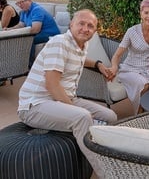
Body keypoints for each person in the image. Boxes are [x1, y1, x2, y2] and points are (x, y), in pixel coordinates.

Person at [17, 9, 118, 179]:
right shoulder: (60, 43)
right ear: (71, 24)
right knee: (82, 117)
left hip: (64, 99)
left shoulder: (81, 45)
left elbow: (80, 59)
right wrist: (74, 111)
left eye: (90, 26)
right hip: (35, 105)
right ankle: (107, 173)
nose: (85, 28)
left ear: (94, 31)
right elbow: (52, 84)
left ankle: (108, 154)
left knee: (111, 116)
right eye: (81, 23)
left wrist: (99, 64)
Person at [7, 0, 60, 66]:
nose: (19, 5)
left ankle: (29, 65)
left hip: (50, 34)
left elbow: (35, 30)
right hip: (39, 34)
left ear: (29, 0)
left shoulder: (37, 10)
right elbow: (21, 24)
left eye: (21, 2)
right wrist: (10, 30)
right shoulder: (23, 12)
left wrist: (20, 33)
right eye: (17, 3)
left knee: (28, 39)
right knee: (17, 38)